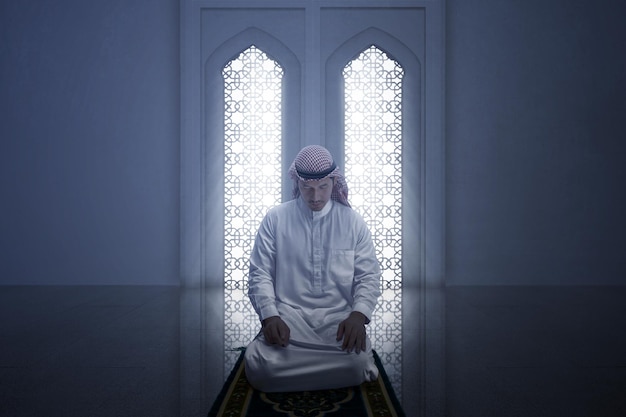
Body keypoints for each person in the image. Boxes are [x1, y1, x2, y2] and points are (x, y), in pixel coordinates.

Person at [244, 145, 382, 392]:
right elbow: (260, 272)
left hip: (337, 320)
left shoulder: (353, 222)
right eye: (307, 187)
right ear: (297, 183)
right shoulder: (275, 218)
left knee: (356, 363)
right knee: (262, 368)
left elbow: (368, 276)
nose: (315, 196)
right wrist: (270, 315)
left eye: (323, 187)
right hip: (289, 317)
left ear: (334, 181)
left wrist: (358, 316)